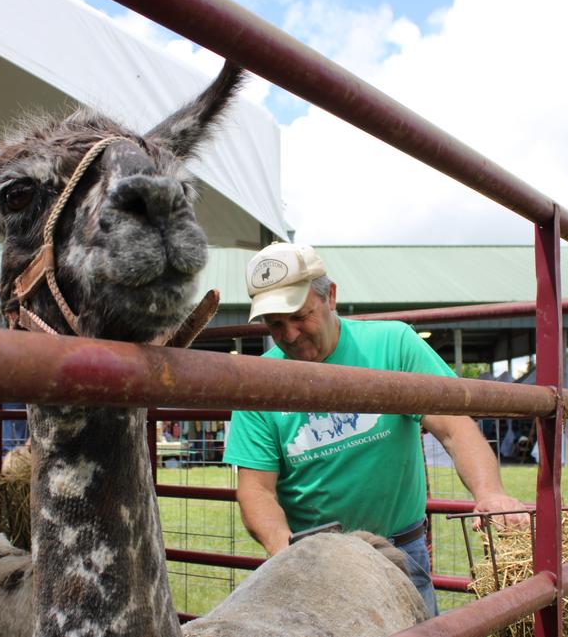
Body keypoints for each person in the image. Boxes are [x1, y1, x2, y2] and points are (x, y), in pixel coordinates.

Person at [223, 243, 527, 617]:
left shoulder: (393, 345)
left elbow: (452, 428)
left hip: (398, 551)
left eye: (300, 316)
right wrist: (285, 553)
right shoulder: (259, 382)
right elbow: (256, 489)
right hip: (315, 559)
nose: (289, 334)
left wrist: (490, 492)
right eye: (274, 323)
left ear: (330, 296)